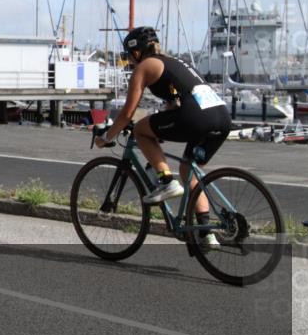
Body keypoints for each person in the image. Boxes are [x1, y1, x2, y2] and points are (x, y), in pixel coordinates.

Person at [95, 26, 230, 248]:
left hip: (197, 117)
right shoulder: (172, 62)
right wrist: (161, 128)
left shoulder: (145, 67)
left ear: (137, 52)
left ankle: (166, 181)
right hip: (221, 118)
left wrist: (107, 137)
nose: (129, 61)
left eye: (129, 56)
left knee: (140, 129)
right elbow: (174, 103)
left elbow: (127, 114)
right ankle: (207, 232)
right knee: (188, 170)